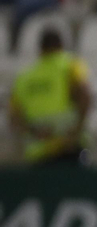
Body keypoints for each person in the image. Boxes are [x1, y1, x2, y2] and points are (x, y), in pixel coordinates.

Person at [8, 28, 91, 167]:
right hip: (68, 149)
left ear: (40, 49)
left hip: (37, 153)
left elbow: (14, 117)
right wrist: (77, 130)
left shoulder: (23, 77)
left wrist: (34, 132)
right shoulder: (70, 66)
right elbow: (85, 96)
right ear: (61, 46)